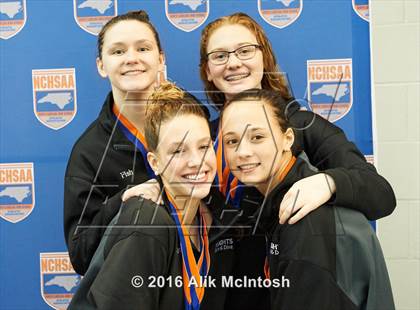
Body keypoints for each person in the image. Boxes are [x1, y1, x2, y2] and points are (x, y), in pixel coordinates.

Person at [220, 89, 395, 310]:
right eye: (231, 141)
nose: (242, 151)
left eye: (257, 137)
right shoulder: (274, 197)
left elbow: (382, 192)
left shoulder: (302, 218)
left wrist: (330, 182)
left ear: (288, 139)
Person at [69, 83, 237, 310]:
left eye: (203, 146)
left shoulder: (217, 216)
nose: (196, 162)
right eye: (178, 151)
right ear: (154, 162)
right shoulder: (146, 223)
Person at [63, 10, 166, 275]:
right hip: (134, 288)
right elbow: (80, 255)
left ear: (160, 59)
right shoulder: (89, 151)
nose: (132, 58)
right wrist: (122, 202)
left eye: (143, 48)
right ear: (101, 65)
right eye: (118, 52)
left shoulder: (192, 119)